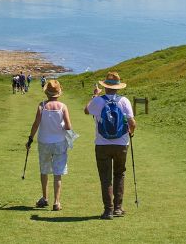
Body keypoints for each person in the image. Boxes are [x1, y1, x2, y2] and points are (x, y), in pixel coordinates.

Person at [84, 71, 136, 220]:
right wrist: (131, 133)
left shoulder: (98, 101)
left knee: (105, 177)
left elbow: (86, 110)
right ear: (118, 87)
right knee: (119, 174)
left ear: (105, 86)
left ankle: (108, 211)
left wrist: (94, 95)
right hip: (121, 143)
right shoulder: (124, 101)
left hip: (102, 144)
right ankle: (118, 208)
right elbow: (132, 123)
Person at [26, 80, 72, 211]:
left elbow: (36, 124)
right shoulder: (63, 106)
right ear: (58, 93)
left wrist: (30, 139)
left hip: (44, 142)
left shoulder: (42, 106)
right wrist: (61, 126)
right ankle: (57, 202)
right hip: (59, 142)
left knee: (44, 170)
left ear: (47, 93)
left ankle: (45, 198)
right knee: (58, 173)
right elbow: (68, 126)